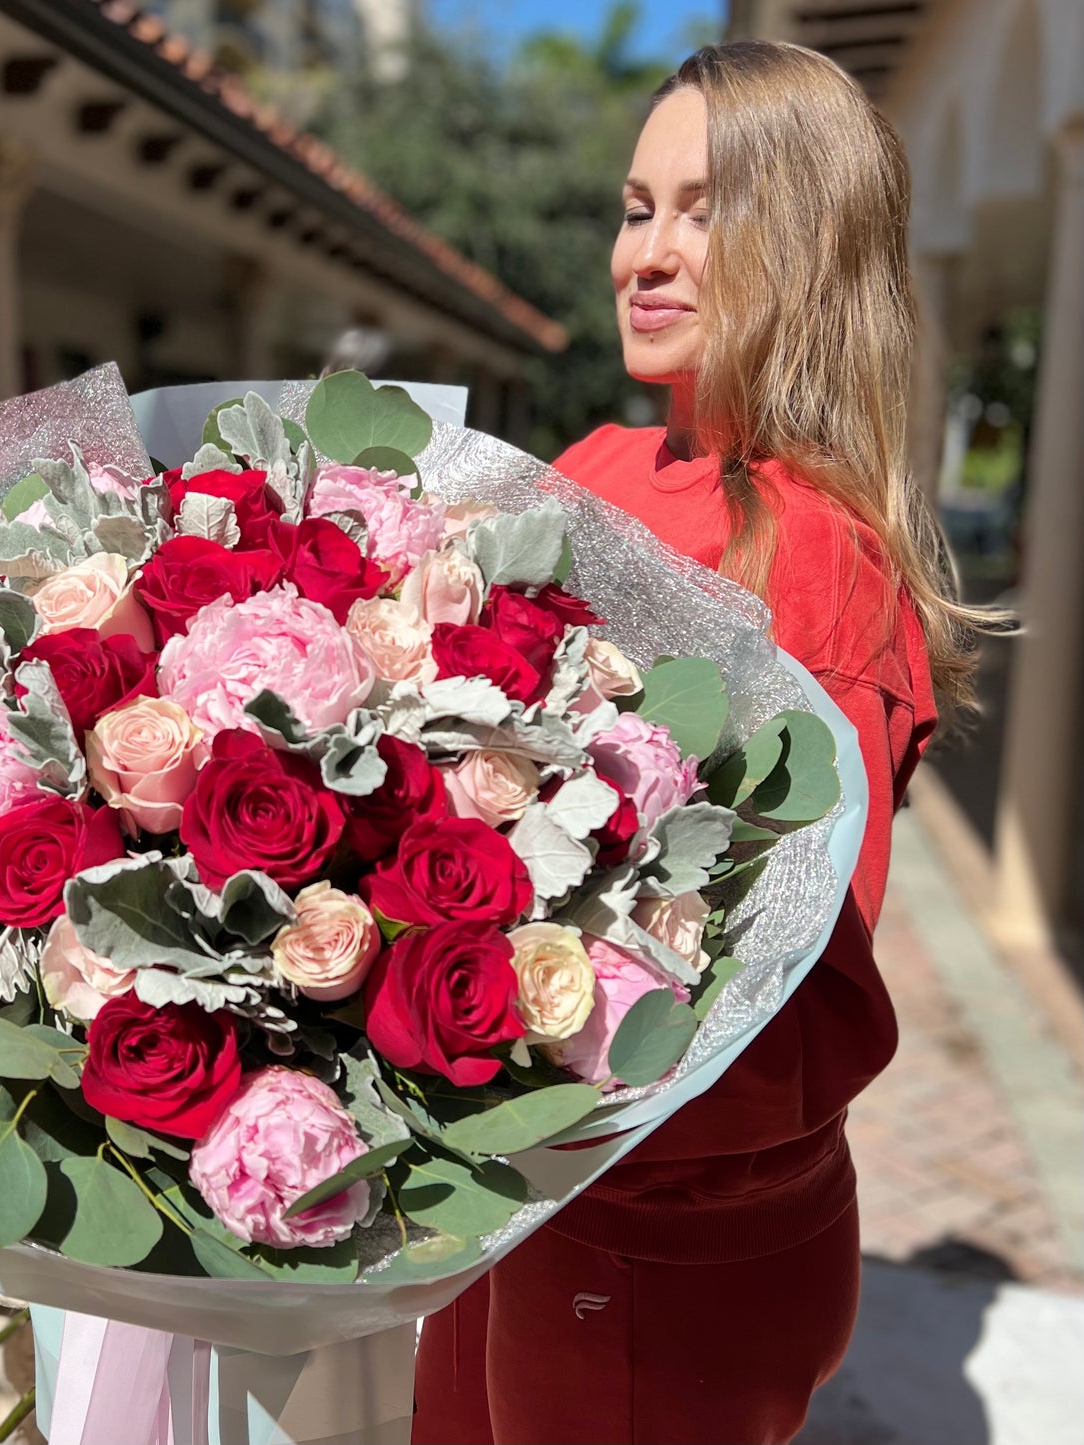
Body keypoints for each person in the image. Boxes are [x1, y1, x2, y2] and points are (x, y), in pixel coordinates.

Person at [411, 40, 1000, 1445]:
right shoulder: (607, 466)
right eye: (633, 207)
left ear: (805, 246)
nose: (646, 253)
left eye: (703, 209)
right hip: (529, 1176)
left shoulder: (814, 560)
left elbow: (784, 991)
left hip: (656, 1229)